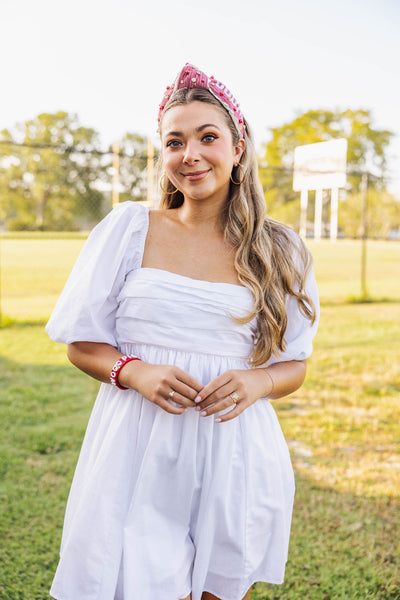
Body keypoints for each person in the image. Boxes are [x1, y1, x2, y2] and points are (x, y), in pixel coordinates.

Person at [46, 63, 319, 600]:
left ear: (238, 149)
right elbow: (82, 343)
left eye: (207, 137)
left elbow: (295, 364)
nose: (189, 154)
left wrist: (258, 383)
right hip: (134, 450)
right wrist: (134, 371)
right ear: (164, 155)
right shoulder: (128, 229)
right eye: (175, 141)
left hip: (233, 454)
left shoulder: (281, 249)